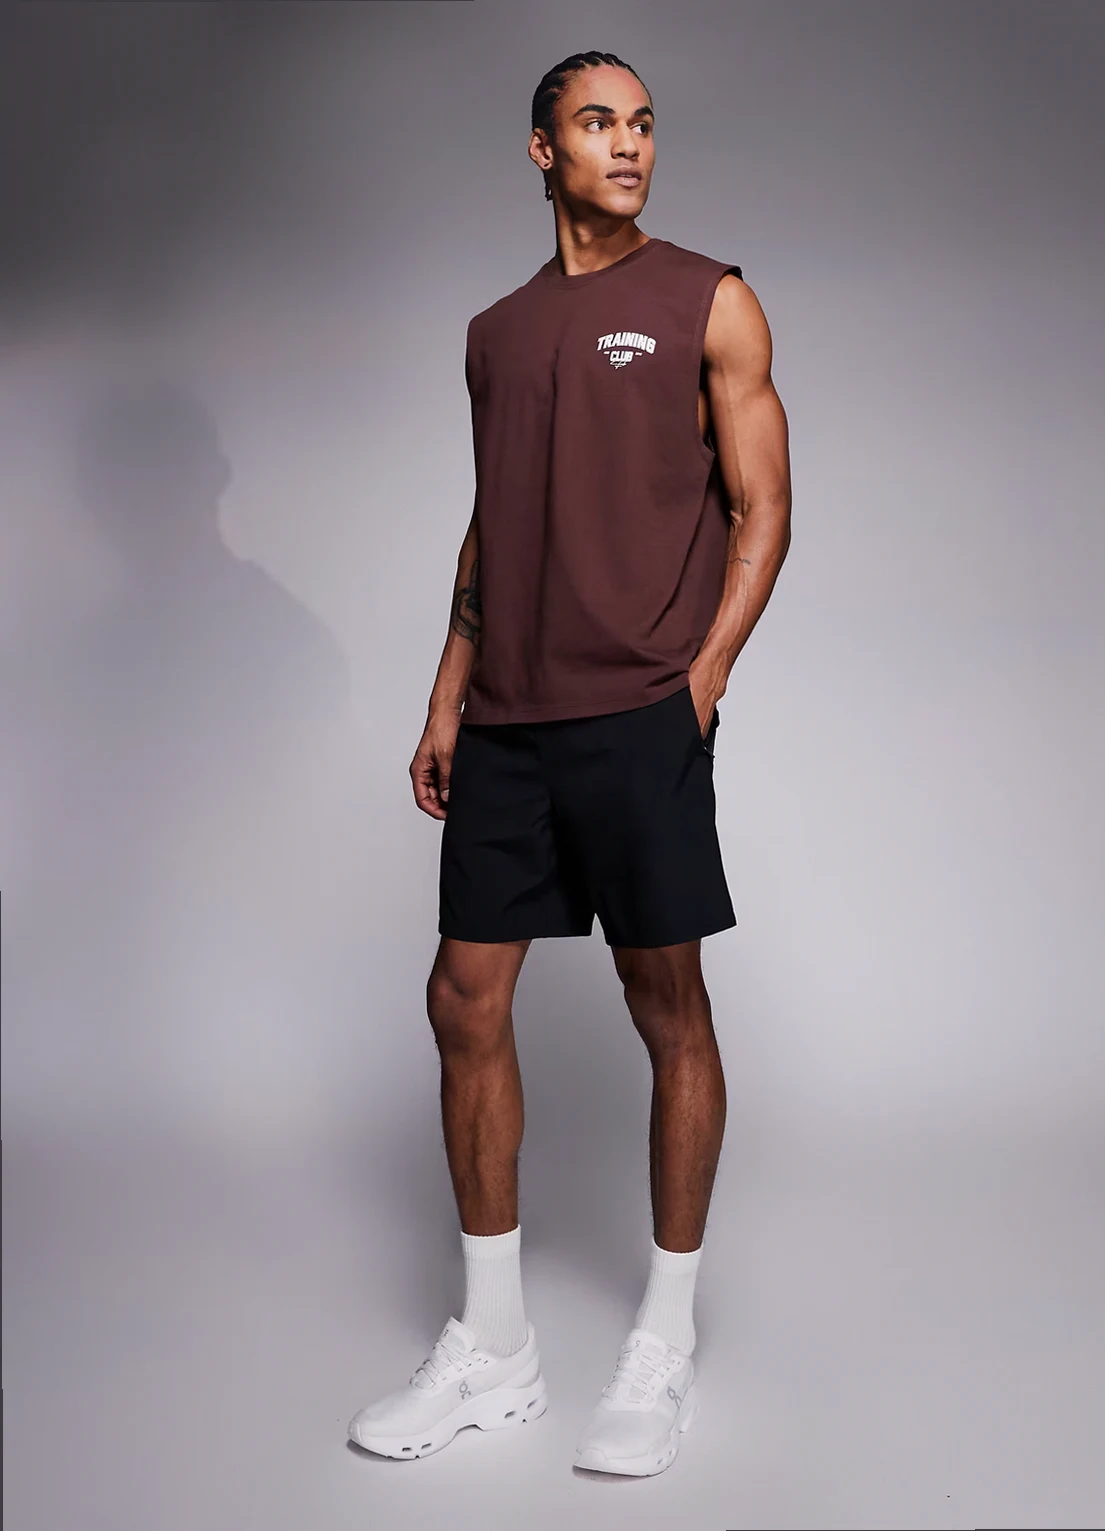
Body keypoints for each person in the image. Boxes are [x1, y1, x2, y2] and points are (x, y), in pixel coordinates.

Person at [349, 49, 791, 1477]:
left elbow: (766, 505)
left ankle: (663, 1336)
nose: (629, 145)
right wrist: (446, 694)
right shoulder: (495, 332)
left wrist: (700, 685)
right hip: (508, 721)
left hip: (639, 711)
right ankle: (495, 1344)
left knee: (667, 1005)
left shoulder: (712, 299)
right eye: (598, 124)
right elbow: (496, 520)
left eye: (643, 124)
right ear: (543, 151)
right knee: (461, 998)